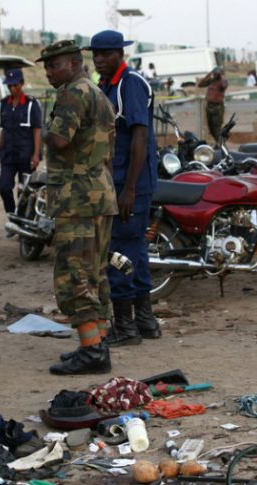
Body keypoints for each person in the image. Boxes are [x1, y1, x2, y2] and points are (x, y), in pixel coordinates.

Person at [38, 40, 119, 375]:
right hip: (99, 193)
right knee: (97, 272)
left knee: (77, 275)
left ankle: (92, 350)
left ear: (73, 63)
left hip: (77, 197)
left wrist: (41, 133)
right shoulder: (99, 93)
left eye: (53, 66)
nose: (48, 72)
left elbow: (59, 139)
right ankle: (96, 344)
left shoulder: (73, 93)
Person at [86, 29, 161, 349]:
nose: (99, 60)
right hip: (116, 181)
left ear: (120, 53)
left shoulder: (130, 83)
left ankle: (126, 327)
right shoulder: (106, 85)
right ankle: (145, 322)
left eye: (105, 54)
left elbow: (140, 138)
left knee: (120, 253)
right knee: (136, 253)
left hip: (129, 184)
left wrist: (129, 189)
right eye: (95, 55)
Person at [0, 68, 42, 227]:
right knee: (4, 187)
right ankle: (13, 216)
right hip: (8, 154)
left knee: (24, 191)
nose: (12, 88)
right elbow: (4, 130)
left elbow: (37, 130)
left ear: (21, 84)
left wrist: (36, 154)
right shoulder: (4, 104)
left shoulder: (32, 104)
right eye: (9, 85)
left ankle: (23, 222)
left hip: (26, 155)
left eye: (14, 85)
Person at [197, 65, 228, 144]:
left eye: (217, 73)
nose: (216, 74)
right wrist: (209, 74)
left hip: (217, 107)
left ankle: (221, 143)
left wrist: (221, 75)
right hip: (209, 106)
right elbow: (200, 84)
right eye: (215, 73)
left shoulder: (222, 81)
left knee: (217, 128)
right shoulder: (212, 81)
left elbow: (224, 85)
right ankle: (219, 142)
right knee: (211, 128)